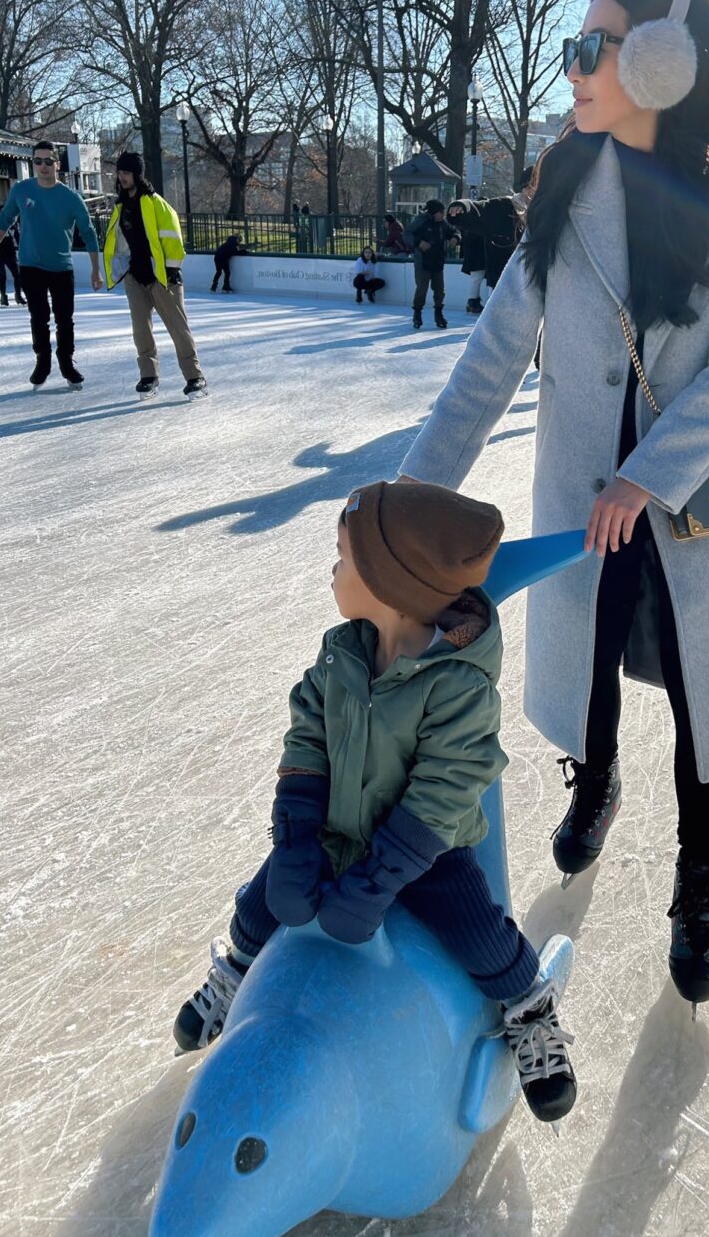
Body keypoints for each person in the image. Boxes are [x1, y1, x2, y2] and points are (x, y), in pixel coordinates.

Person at [397, 0, 709, 1009]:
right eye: (573, 49)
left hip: (696, 496)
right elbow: (490, 357)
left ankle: (700, 880)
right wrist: (406, 502)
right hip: (581, 496)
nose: (571, 72)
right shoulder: (564, 185)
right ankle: (596, 775)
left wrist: (647, 477)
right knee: (592, 660)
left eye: (589, 50)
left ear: (661, 63)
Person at [172, 481, 578, 1124]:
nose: (334, 570)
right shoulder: (344, 652)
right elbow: (308, 731)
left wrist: (383, 877)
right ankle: (238, 972)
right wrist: (297, 836)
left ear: (392, 584)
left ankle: (530, 1011)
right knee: (257, 906)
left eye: (344, 556)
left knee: (478, 933)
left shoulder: (459, 684)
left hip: (424, 851)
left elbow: (446, 785)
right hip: (334, 832)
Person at [0, 141, 102, 389]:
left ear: (57, 165)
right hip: (31, 265)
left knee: (64, 319)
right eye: (38, 161)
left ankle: (66, 361)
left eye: (48, 161)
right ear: (33, 164)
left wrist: (96, 270)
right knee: (38, 317)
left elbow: (89, 233)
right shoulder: (21, 190)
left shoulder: (71, 198)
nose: (43, 166)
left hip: (61, 267)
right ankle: (43, 361)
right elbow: (5, 219)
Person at [102, 152, 207, 398]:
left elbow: (173, 238)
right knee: (140, 329)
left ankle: (195, 377)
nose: (122, 177)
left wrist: (172, 271)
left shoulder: (155, 202)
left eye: (126, 172)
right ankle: (149, 376)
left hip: (162, 277)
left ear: (137, 175)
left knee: (178, 328)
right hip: (134, 276)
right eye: (119, 172)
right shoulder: (119, 206)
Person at [446, 168, 533, 315]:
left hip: (533, 285)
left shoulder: (545, 213)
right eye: (531, 186)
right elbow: (480, 208)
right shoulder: (505, 206)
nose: (535, 192)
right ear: (524, 188)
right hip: (505, 285)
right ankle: (474, 302)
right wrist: (462, 207)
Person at [407, 199, 460, 330]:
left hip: (437, 261)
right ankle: (417, 313)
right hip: (423, 262)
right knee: (422, 289)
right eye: (440, 212)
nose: (443, 214)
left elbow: (454, 231)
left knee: (440, 290)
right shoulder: (420, 221)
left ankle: (438, 313)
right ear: (433, 212)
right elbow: (406, 234)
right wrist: (418, 243)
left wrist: (455, 238)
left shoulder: (443, 223)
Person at [0, 202, 26, 307]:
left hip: (10, 252)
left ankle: (18, 295)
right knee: (3, 276)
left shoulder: (11, 224)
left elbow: (18, 237)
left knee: (17, 275)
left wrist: (21, 247)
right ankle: (3, 297)